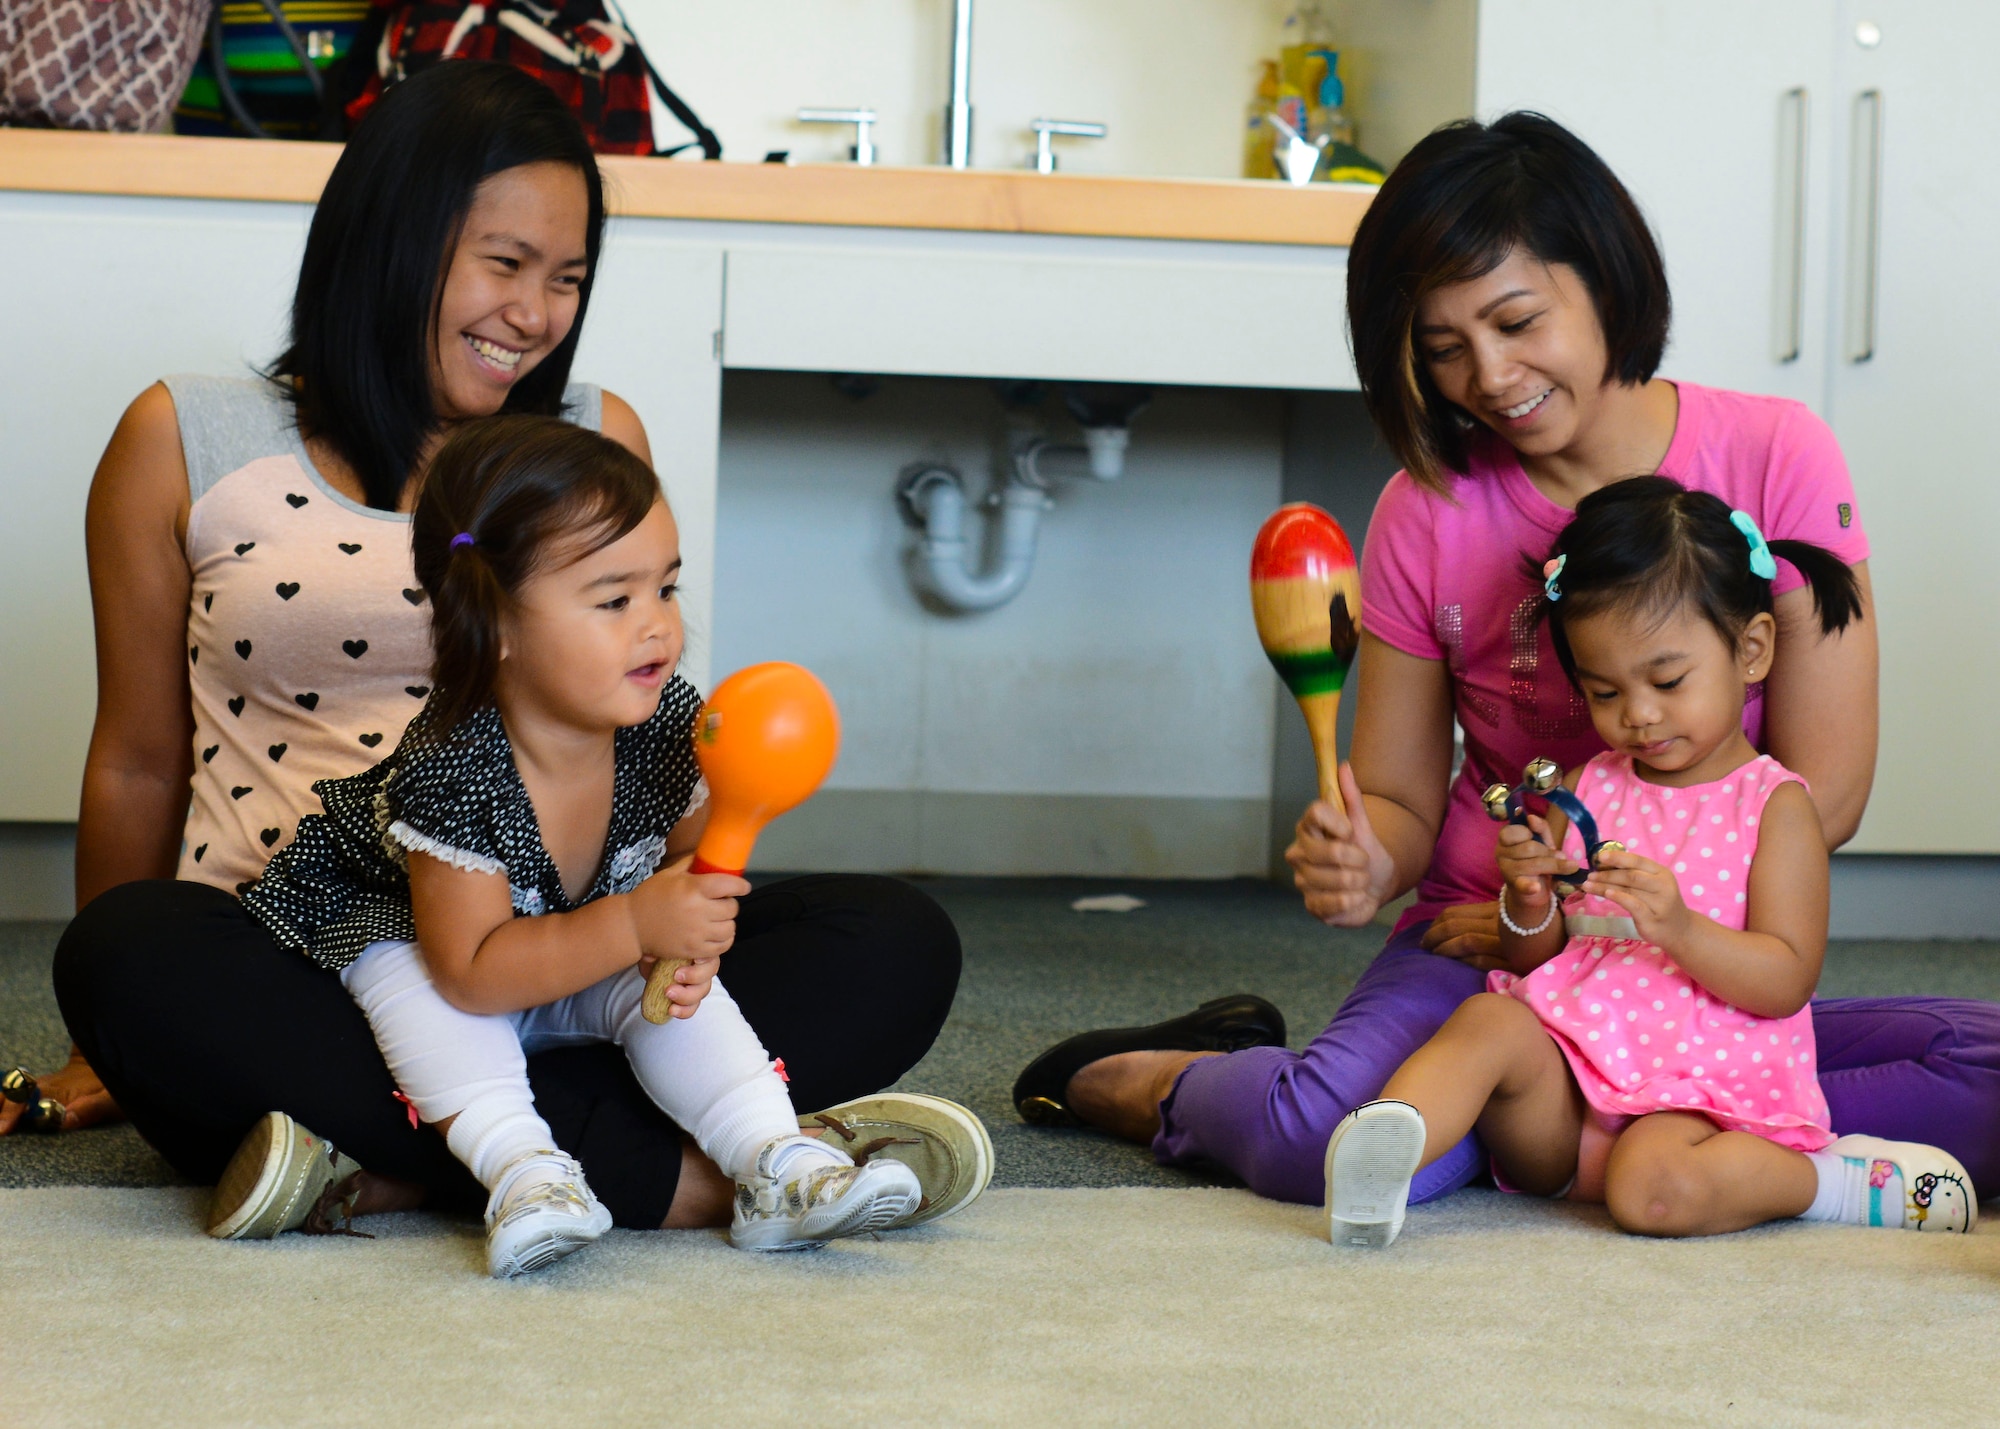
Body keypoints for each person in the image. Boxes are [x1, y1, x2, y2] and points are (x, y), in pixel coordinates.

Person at [22, 61, 981, 1240]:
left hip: (573, 958)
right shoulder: (187, 436)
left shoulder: (590, 443)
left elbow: (640, 721)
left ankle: (406, 1163)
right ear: (390, 243)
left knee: (892, 941)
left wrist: (687, 880)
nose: (534, 315)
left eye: (566, 277)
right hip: (304, 955)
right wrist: (100, 1049)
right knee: (126, 955)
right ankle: (695, 1172)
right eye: (504, 263)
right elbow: (136, 759)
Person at [1013, 112, 2000, 1206]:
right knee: (1314, 1144)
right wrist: (1372, 861)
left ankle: (1565, 1120)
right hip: (1487, 941)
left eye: (1517, 320)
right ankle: (1169, 1077)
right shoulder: (1424, 509)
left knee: (1990, 1080)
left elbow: (1827, 789)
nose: (1487, 375)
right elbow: (1398, 799)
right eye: (1443, 348)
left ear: (1605, 279)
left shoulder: (1778, 453)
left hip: (1697, 959)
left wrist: (1630, 928)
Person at [227, 416, 938, 1274]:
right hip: (428, 951)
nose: (658, 626)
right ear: (495, 623)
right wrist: (637, 921)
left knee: (690, 988)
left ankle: (772, 1157)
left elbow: (685, 858)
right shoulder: (456, 764)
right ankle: (524, 1170)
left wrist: (695, 902)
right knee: (417, 985)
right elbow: (471, 972)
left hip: (571, 950)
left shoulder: (665, 722)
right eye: (614, 600)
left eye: (666, 588)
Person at [1324, 477, 1974, 1248]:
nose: (1637, 713)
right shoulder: (1586, 788)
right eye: (1604, 691)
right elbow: (1539, 960)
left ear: (1752, 649)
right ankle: (1380, 1155)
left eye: (1668, 681)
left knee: (1650, 1188)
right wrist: (1526, 900)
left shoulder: (1774, 806)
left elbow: (1787, 977)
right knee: (1489, 1019)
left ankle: (1834, 1182)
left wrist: (1679, 928)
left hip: (1698, 1098)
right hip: (1567, 1087)